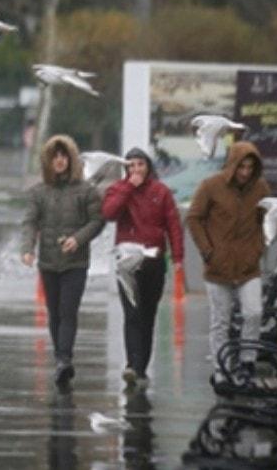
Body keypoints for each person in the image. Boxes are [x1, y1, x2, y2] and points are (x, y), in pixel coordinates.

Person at [20, 135, 105, 386]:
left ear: (71, 159)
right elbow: (30, 221)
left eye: (63, 156)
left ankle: (64, 359)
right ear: (48, 160)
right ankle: (60, 357)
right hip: (48, 261)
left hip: (75, 262)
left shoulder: (86, 190)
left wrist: (78, 239)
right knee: (54, 312)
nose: (59, 161)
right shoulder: (39, 192)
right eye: (55, 157)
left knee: (68, 311)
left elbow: (97, 220)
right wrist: (27, 248)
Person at [101, 148, 184, 389]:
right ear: (125, 169)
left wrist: (178, 256)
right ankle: (132, 366)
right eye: (131, 165)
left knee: (147, 315)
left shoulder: (161, 191)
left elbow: (173, 224)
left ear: (148, 166)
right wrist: (128, 187)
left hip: (154, 261)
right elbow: (109, 213)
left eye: (140, 165)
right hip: (127, 261)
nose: (136, 170)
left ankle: (141, 367)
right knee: (132, 314)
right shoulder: (118, 189)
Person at [185, 141, 270, 364]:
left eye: (250, 167)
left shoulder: (260, 188)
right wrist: (207, 251)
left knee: (253, 313)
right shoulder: (211, 186)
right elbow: (194, 218)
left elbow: (266, 220)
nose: (245, 172)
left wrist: (258, 248)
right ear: (232, 165)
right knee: (220, 320)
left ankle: (247, 362)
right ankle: (220, 367)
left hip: (248, 266)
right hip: (218, 266)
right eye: (241, 167)